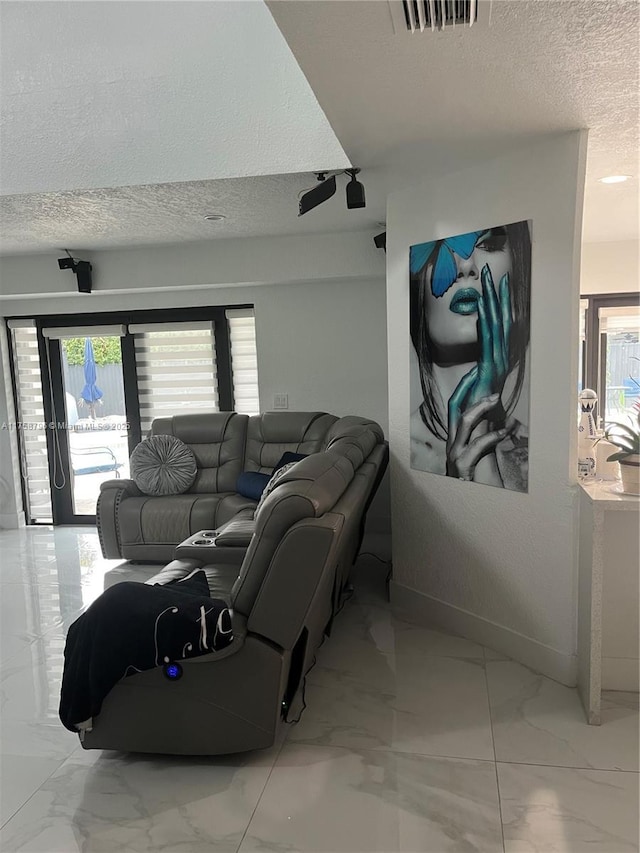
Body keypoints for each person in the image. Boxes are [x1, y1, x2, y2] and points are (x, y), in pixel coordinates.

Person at [409, 220, 531, 491]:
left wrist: (481, 452)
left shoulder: (538, 458)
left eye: (488, 244)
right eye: (442, 250)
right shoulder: (402, 453)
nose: (465, 266)